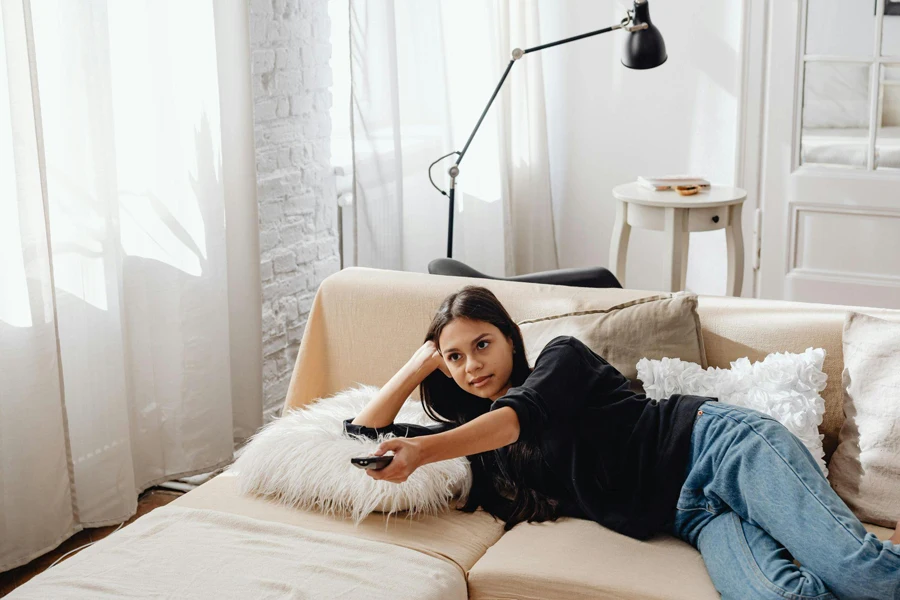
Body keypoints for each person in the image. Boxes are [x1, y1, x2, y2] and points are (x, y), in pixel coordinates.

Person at [344, 285, 900, 600]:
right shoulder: (477, 444)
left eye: (482, 344)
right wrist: (419, 361)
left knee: (862, 574)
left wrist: (422, 451)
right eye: (455, 357)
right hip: (696, 517)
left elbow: (518, 418)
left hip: (721, 449)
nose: (471, 365)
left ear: (510, 339)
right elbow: (363, 433)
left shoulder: (562, 359)